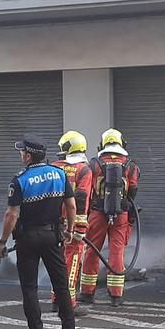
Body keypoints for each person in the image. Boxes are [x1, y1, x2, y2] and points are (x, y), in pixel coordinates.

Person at [0, 136, 83, 329]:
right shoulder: (59, 174)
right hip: (53, 237)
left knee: (30, 289)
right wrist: (70, 231)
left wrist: (2, 242)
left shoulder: (20, 180)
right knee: (61, 286)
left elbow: (11, 215)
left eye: (22, 151)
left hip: (27, 240)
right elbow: (71, 206)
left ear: (28, 155)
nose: (20, 154)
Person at [79, 128, 140, 307]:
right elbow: (133, 189)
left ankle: (87, 293)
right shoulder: (130, 165)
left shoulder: (94, 163)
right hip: (121, 214)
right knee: (117, 252)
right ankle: (115, 296)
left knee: (92, 251)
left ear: (103, 144)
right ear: (122, 143)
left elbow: (88, 190)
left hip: (97, 213)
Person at [49, 130, 92, 316]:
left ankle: (56, 299)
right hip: (71, 225)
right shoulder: (84, 169)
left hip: (52, 224)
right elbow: (81, 199)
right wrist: (80, 228)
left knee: (56, 262)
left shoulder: (53, 167)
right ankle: (69, 304)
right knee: (72, 262)